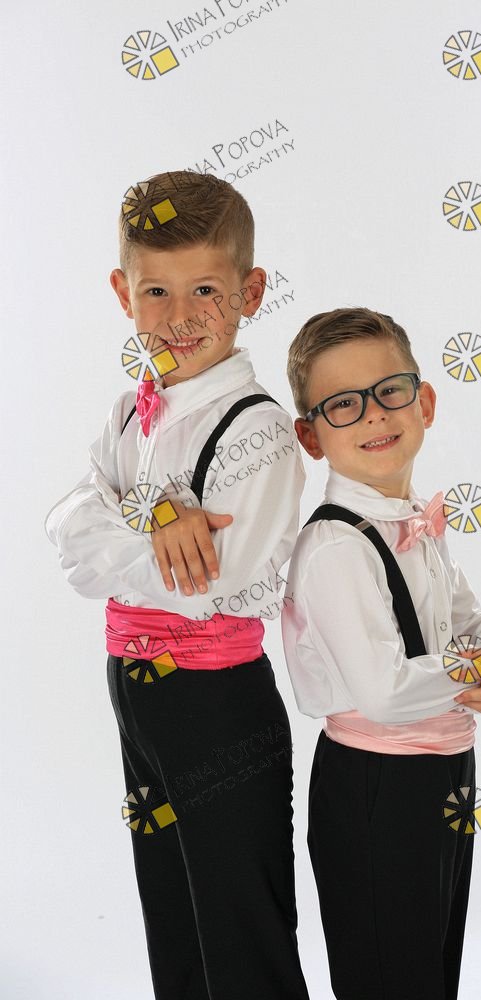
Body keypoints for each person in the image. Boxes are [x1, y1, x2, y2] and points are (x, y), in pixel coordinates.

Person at [44, 170, 311, 1000]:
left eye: (206, 290)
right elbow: (66, 535)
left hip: (215, 700)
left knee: (239, 919)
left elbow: (208, 586)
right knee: (172, 908)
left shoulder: (257, 429)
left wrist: (124, 525)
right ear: (123, 293)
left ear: (249, 293)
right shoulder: (131, 412)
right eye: (156, 290)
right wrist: (157, 517)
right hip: (135, 686)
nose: (180, 315)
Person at [281, 307, 481, 1000]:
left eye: (388, 391)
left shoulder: (417, 525)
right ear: (310, 436)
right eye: (342, 404)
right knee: (388, 971)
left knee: (431, 963)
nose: (372, 414)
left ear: (423, 402)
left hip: (446, 768)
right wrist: (475, 668)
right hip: (377, 783)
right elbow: (385, 691)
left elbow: (470, 620)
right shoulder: (336, 546)